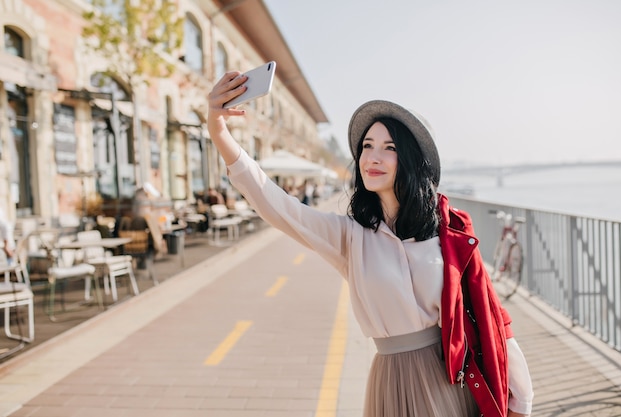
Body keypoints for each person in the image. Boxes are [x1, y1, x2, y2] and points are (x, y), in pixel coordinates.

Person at [207, 71, 533, 417]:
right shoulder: (351, 237)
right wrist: (218, 130)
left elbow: (491, 315)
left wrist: (521, 399)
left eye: (389, 148)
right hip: (390, 383)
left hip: (450, 381)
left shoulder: (448, 231)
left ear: (410, 162)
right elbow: (278, 205)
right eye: (367, 146)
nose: (373, 158)